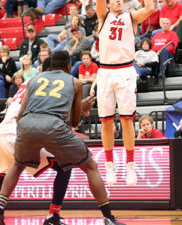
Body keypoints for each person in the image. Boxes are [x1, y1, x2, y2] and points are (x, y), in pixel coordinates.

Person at [0, 51, 125, 225]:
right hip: (47, 126)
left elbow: (21, 114)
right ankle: (105, 217)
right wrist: (80, 108)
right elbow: (72, 121)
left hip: (15, 127)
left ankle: (1, 209)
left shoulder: (33, 80)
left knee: (16, 166)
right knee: (82, 166)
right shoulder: (74, 82)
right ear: (68, 66)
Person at [96, 0, 154, 186]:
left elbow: (149, 7)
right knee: (106, 122)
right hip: (105, 72)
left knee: (128, 120)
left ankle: (130, 165)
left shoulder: (131, 17)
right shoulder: (103, 17)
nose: (118, 0)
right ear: (109, 5)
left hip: (125, 72)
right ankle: (109, 166)